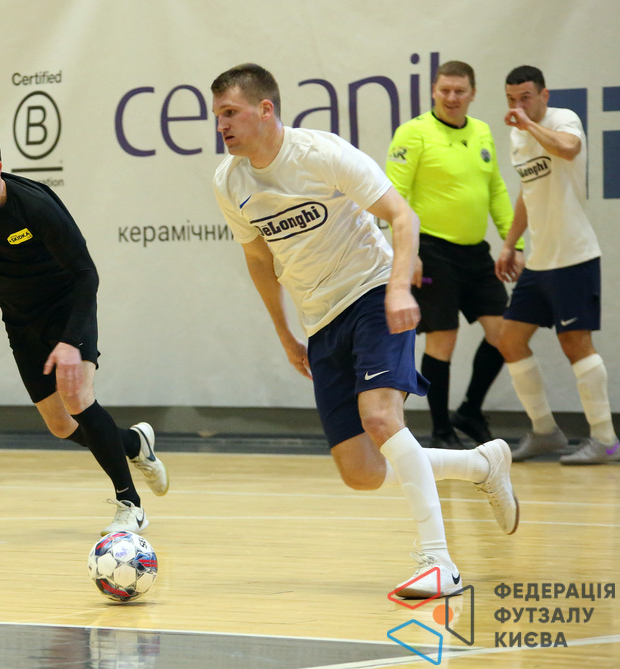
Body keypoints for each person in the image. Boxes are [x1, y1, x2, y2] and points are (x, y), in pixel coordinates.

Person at [211, 63, 518, 598]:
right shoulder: (229, 182)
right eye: (217, 116)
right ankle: (479, 464)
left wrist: (398, 289)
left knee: (380, 417)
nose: (222, 125)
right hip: (320, 320)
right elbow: (259, 259)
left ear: (265, 109)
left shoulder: (322, 153)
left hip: (373, 294)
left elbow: (403, 216)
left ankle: (439, 562)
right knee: (362, 471)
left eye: (230, 113)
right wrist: (285, 334)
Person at [0, 130, 168, 535]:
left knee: (78, 398)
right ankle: (132, 444)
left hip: (66, 306)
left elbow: (86, 274)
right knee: (60, 426)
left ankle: (131, 504)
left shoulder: (34, 206)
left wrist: (70, 342)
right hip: (19, 318)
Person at [386, 60, 520, 450]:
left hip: (476, 254)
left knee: (505, 335)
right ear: (433, 90)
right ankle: (441, 430)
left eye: (459, 91)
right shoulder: (413, 133)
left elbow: (496, 190)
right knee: (443, 340)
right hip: (431, 250)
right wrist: (408, 253)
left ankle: (470, 412)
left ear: (472, 94)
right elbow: (393, 197)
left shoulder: (482, 131)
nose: (451, 97)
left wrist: (514, 244)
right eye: (444, 90)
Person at [496, 65, 620, 465]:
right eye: (511, 99)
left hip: (574, 256)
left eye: (525, 97)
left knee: (575, 344)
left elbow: (568, 149)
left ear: (543, 95)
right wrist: (510, 244)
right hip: (539, 261)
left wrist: (529, 125)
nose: (518, 106)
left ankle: (606, 440)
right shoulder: (518, 135)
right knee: (509, 340)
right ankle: (545, 432)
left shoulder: (563, 119)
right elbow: (527, 190)